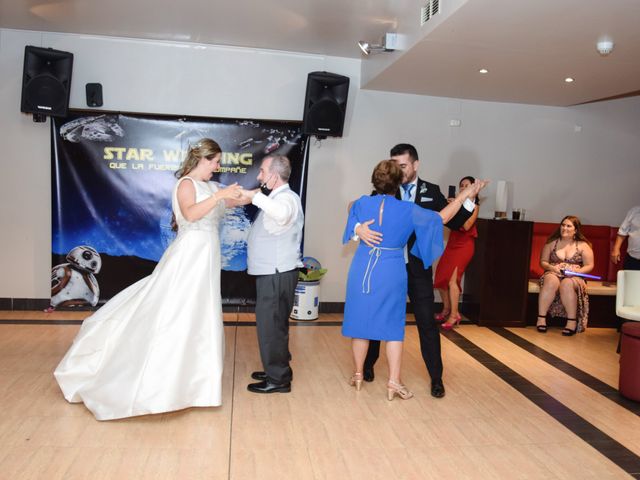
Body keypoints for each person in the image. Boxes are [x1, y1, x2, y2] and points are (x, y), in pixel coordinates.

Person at [54, 138, 243, 420]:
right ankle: (160, 381)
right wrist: (217, 197)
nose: (217, 167)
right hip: (190, 255)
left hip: (206, 257)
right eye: (215, 162)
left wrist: (269, 192)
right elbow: (190, 215)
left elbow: (238, 198)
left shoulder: (212, 186)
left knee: (197, 314)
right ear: (203, 159)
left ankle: (195, 384)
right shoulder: (187, 184)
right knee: (175, 310)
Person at [343, 160, 485, 400]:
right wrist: (464, 196)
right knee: (392, 329)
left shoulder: (363, 203)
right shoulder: (407, 210)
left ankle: (357, 375)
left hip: (362, 267)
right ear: (398, 183)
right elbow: (441, 218)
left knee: (360, 326)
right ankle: (393, 383)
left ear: (374, 181)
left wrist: (357, 228)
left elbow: (350, 207)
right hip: (390, 269)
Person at [243, 155, 304, 394]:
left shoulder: (287, 198)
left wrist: (254, 196)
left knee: (271, 326)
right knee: (274, 326)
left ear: (274, 175)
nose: (259, 176)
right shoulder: (277, 197)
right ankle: (276, 369)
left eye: (262, 171)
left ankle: (278, 380)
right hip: (272, 273)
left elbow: (282, 215)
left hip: (276, 273)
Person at [434, 176, 480, 330]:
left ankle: (455, 314)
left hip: (464, 246)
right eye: (461, 185)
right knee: (440, 277)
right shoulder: (455, 204)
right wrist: (450, 208)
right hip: (452, 244)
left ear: (474, 188)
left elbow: (466, 226)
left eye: (467, 185)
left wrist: (457, 209)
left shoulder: (474, 206)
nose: (463, 188)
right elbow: (446, 222)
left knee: (453, 281)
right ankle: (446, 309)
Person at [536, 215, 595, 336]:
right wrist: (552, 268)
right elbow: (543, 262)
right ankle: (541, 318)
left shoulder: (583, 245)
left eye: (568, 226)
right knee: (551, 281)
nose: (564, 228)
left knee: (567, 284)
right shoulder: (551, 243)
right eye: (563, 225)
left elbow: (589, 265)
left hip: (575, 275)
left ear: (576, 230)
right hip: (554, 271)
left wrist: (577, 272)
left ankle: (571, 322)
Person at [611, 205, 640, 271]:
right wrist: (616, 249)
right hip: (633, 260)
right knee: (630, 280)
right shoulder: (634, 211)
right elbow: (622, 232)